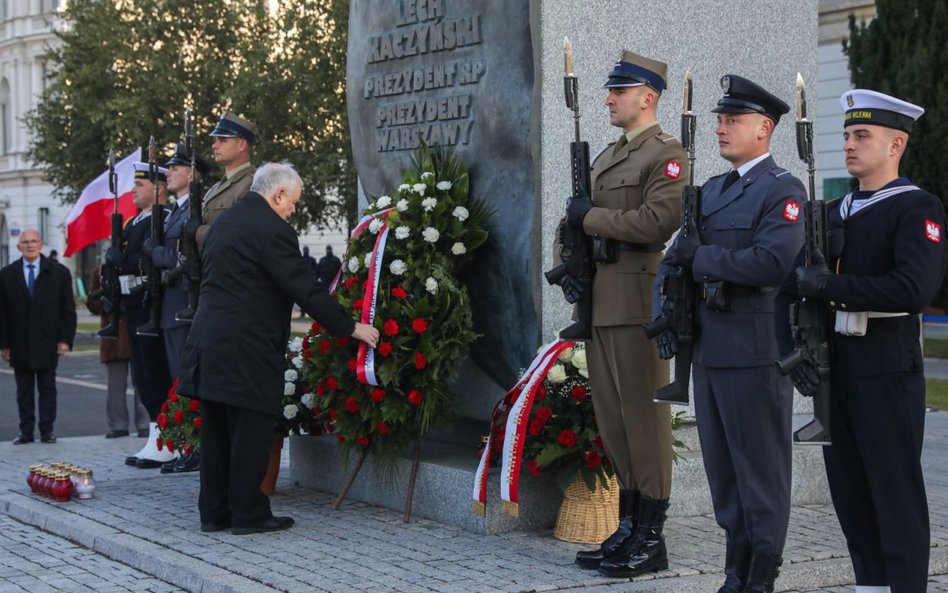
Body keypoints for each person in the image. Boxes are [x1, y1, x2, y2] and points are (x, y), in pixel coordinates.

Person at [788, 90, 946, 593]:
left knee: (894, 498)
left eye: (863, 136)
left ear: (896, 144)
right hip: (836, 369)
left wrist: (831, 287)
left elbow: (912, 289)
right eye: (847, 136)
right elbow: (797, 286)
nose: (850, 145)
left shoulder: (916, 207)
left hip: (886, 370)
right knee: (852, 499)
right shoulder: (834, 210)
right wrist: (794, 350)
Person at [654, 75, 805, 593]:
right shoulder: (712, 190)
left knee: (759, 472)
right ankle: (735, 571)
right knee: (724, 474)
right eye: (719, 119)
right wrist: (666, 310)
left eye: (732, 120)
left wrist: (705, 258)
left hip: (756, 353)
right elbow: (674, 258)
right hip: (710, 351)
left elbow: (771, 263)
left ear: (764, 129)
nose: (720, 128)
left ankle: (761, 574)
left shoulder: (782, 189)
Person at [177, 162, 379, 535]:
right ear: (279, 194)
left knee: (218, 433)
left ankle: (215, 514)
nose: (293, 210)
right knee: (251, 432)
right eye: (293, 202)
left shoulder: (226, 222)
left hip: (210, 341)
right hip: (247, 346)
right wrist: (351, 327)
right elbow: (303, 286)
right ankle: (249, 514)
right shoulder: (271, 229)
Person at [559, 50, 686, 578]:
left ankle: (651, 537)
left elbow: (656, 221)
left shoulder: (666, 154)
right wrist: (567, 262)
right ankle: (628, 524)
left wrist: (592, 218)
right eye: (609, 91)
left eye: (619, 91)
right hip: (601, 303)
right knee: (614, 421)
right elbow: (574, 217)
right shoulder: (610, 154)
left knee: (644, 420)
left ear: (647, 97)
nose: (608, 99)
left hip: (638, 304)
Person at [146, 143, 211, 474]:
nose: (168, 173)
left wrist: (156, 253)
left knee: (188, 376)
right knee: (178, 377)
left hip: (186, 304)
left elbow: (187, 259)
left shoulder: (196, 209)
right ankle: (187, 445)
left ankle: (197, 446)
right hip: (173, 306)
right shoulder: (176, 210)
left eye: (175, 168)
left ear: (192, 173)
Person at [106, 161, 175, 469]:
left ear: (159, 189)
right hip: (133, 306)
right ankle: (156, 436)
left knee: (155, 372)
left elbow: (152, 260)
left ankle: (167, 441)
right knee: (142, 375)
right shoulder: (134, 222)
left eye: (140, 185)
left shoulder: (163, 220)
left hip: (151, 304)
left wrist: (126, 260)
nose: (133, 190)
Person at [0, 229, 77, 444]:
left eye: (34, 241)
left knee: (48, 389)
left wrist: (64, 339)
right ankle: (26, 432)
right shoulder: (7, 274)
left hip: (48, 340)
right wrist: (3, 344)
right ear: (18, 247)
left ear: (41, 245)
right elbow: (2, 313)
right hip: (19, 342)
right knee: (23, 391)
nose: (30, 245)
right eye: (25, 242)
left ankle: (47, 431)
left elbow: (67, 310)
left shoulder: (58, 272)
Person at [86, 265, 149, 439]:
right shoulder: (100, 271)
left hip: (135, 331)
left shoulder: (139, 266)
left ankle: (144, 423)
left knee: (142, 382)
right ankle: (118, 425)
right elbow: (91, 303)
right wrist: (105, 299)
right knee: (115, 386)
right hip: (113, 339)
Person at [190, 112, 257, 250]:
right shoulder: (216, 188)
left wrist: (197, 232)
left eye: (222, 140)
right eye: (215, 140)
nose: (215, 146)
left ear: (241, 145)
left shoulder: (251, 184)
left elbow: (239, 234)